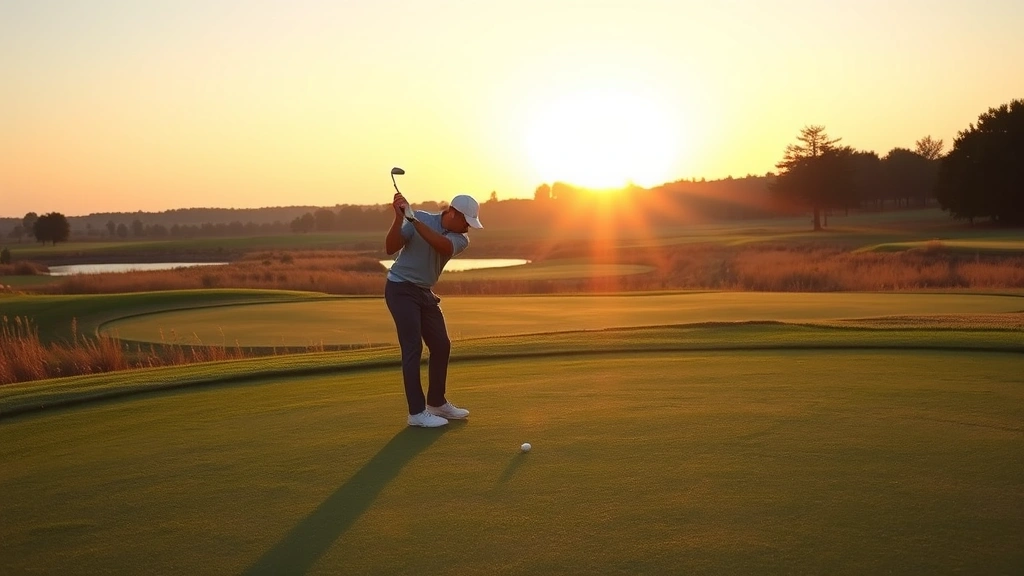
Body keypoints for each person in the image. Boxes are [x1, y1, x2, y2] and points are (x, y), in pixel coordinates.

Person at [384, 191, 483, 427]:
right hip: (400, 288)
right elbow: (390, 248)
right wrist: (399, 218)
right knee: (413, 347)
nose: (468, 228)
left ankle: (436, 403)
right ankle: (416, 413)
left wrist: (413, 220)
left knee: (441, 345)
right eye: (466, 222)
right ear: (453, 213)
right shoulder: (420, 218)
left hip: (424, 292)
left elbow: (441, 245)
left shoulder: (460, 239)